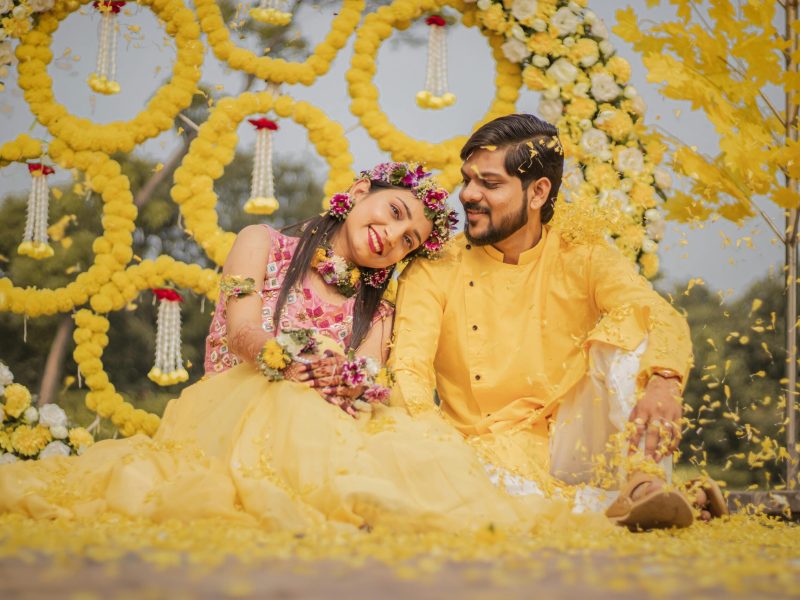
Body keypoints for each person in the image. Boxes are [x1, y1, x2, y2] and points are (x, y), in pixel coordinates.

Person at [0, 162, 584, 533]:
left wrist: (348, 383)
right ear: (359, 192)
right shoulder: (261, 242)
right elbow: (242, 330)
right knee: (289, 398)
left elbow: (372, 379)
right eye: (395, 212)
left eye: (408, 242)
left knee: (388, 433)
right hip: (232, 408)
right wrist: (294, 363)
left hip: (323, 423)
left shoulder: (378, 308)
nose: (393, 237)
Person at [384, 115, 728, 529]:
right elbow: (409, 370)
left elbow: (656, 312)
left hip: (576, 440)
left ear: (538, 192)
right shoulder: (436, 267)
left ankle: (642, 479)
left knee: (631, 328)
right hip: (484, 450)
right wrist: (431, 449)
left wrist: (665, 380)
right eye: (467, 179)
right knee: (479, 489)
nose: (468, 194)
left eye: (489, 184)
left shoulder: (581, 251)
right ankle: (638, 505)